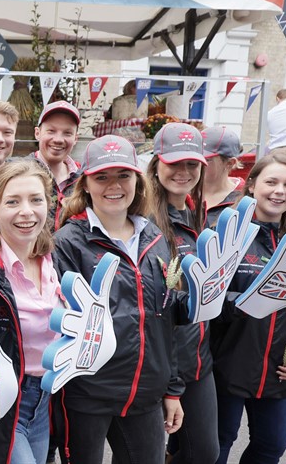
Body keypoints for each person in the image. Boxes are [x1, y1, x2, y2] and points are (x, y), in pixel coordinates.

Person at [52, 135, 185, 464]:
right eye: (101, 177)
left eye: (123, 175)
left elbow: (166, 321)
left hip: (145, 394)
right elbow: (60, 322)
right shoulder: (67, 242)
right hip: (87, 396)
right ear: (85, 184)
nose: (113, 186)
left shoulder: (154, 237)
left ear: (137, 182)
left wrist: (171, 388)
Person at [210, 150, 286, 464]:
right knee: (218, 443)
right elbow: (207, 299)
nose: (279, 191)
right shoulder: (226, 231)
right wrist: (247, 303)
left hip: (279, 365)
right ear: (251, 185)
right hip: (228, 360)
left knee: (271, 445)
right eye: (271, 181)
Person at [0, 159, 66, 463]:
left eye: (36, 200)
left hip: (45, 399)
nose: (27, 211)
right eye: (13, 201)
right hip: (5, 403)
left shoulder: (54, 260)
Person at [148, 123, 219, 464]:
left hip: (198, 360)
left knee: (202, 452)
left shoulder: (195, 212)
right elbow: (155, 310)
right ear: (156, 163)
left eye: (192, 164)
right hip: (163, 364)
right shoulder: (144, 221)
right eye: (174, 162)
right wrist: (171, 384)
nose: (184, 171)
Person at [30, 100, 82, 229]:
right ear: (37, 133)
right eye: (51, 131)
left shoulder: (83, 180)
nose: (58, 139)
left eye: (67, 133)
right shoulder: (18, 173)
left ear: (76, 138)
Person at [202, 126, 245, 223]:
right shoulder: (183, 190)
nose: (197, 164)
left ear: (230, 163)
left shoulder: (244, 198)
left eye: (206, 160)